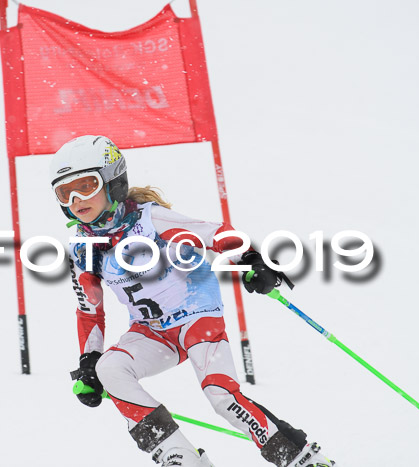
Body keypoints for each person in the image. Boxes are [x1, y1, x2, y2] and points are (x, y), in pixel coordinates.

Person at [49, 135, 336, 467]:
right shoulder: (82, 249)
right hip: (152, 332)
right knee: (110, 368)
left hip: (196, 316)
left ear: (113, 181)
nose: (76, 199)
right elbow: (89, 311)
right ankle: (180, 457)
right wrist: (89, 363)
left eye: (86, 185)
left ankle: (300, 458)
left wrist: (251, 259)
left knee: (222, 397)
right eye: (64, 192)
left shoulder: (150, 219)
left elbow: (213, 233)